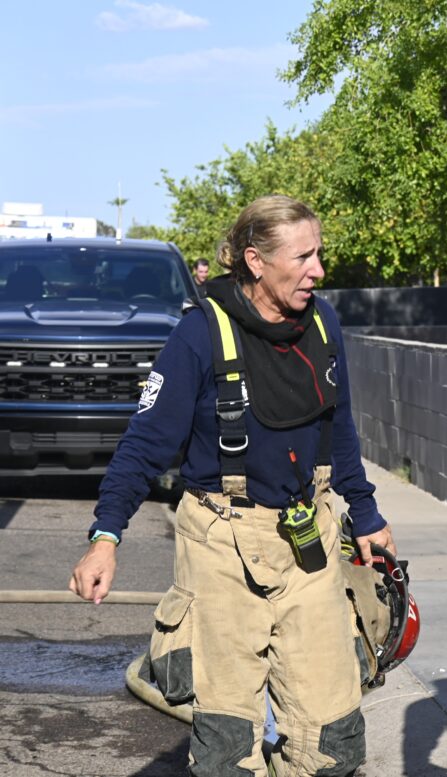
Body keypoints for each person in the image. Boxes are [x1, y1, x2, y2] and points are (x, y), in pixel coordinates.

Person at [69, 195, 394, 777]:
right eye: (303, 256)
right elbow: (144, 445)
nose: (318, 269)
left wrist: (365, 513)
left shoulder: (324, 324)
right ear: (255, 260)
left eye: (319, 253)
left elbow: (339, 426)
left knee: (333, 745)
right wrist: (105, 536)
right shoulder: (198, 335)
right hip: (221, 548)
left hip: (310, 545)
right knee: (226, 751)